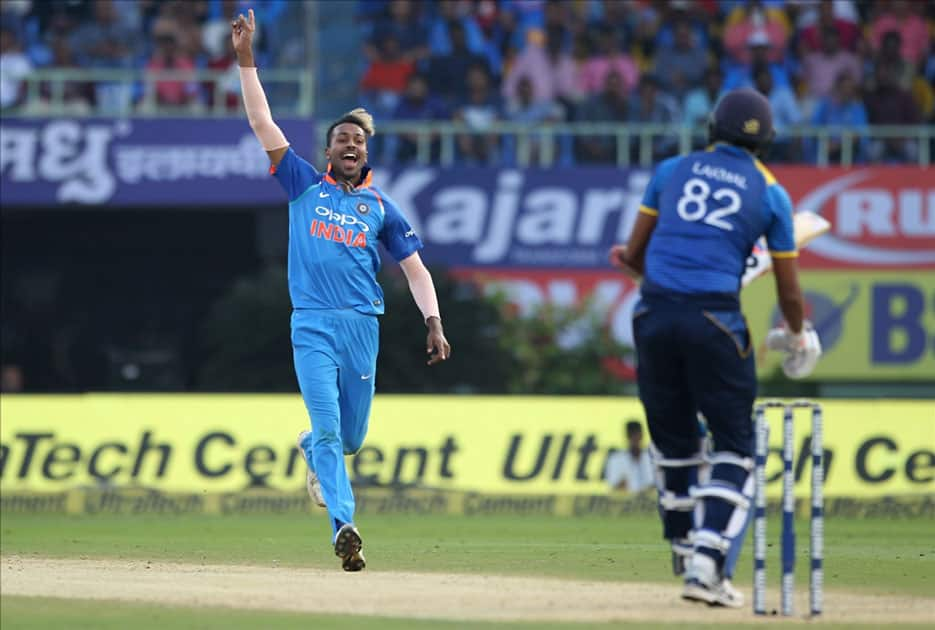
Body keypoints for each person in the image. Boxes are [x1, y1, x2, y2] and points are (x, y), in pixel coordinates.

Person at [232, 9, 451, 572]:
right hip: (312, 324)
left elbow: (417, 270)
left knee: (349, 438)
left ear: (366, 152)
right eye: (340, 139)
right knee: (330, 429)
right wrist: (246, 59)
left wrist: (433, 321)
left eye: (357, 139)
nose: (349, 144)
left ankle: (313, 450)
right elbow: (262, 122)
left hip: (363, 328)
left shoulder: (380, 206)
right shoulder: (302, 184)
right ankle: (345, 526)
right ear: (328, 153)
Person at [608, 89, 821, 607]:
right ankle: (706, 566)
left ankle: (685, 552)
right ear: (766, 141)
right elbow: (790, 292)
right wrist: (798, 334)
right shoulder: (771, 193)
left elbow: (633, 257)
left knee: (676, 443)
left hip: (654, 315)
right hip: (717, 322)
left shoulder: (672, 170)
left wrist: (655, 273)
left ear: (711, 129)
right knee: (735, 446)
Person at [604, 420, 654, 493]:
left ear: (641, 435)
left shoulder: (651, 457)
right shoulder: (616, 459)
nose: (635, 439)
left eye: (637, 435)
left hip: (650, 501)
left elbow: (657, 484)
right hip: (626, 502)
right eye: (632, 435)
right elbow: (613, 487)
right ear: (627, 436)